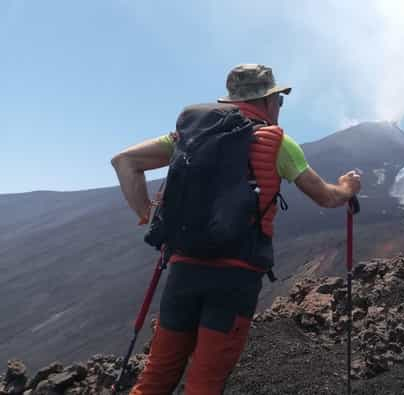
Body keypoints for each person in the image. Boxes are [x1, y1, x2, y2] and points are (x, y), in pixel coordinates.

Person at [111, 64, 361, 394]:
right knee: (204, 383)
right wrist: (347, 187)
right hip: (234, 279)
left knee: (156, 377)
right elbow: (326, 198)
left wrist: (147, 213)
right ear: (268, 101)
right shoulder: (278, 143)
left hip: (183, 271)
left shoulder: (190, 136)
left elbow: (124, 161)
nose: (279, 108)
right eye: (279, 101)